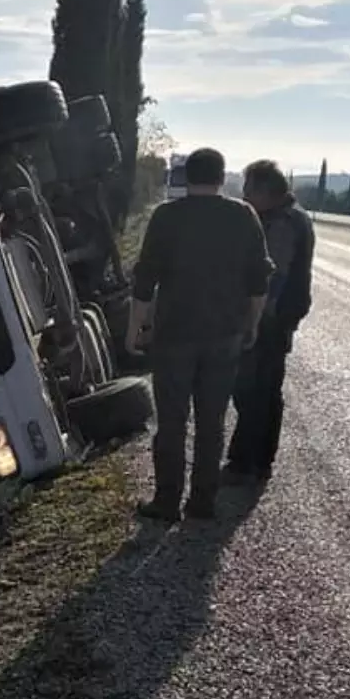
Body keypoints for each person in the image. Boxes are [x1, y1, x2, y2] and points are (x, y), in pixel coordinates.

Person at [127, 147, 271, 523]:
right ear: (223, 178)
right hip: (224, 335)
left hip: (174, 334)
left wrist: (135, 329)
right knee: (212, 421)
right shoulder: (244, 216)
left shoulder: (166, 217)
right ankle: (202, 502)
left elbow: (145, 281)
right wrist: (252, 324)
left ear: (185, 177)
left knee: (172, 422)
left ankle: (166, 501)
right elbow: (259, 281)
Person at [225, 160, 314, 482]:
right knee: (266, 388)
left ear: (265, 191)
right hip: (282, 315)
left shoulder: (282, 223)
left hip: (271, 317)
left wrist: (254, 318)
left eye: (249, 191)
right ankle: (259, 460)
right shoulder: (293, 216)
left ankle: (244, 461)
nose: (246, 197)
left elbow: (274, 275)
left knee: (252, 388)